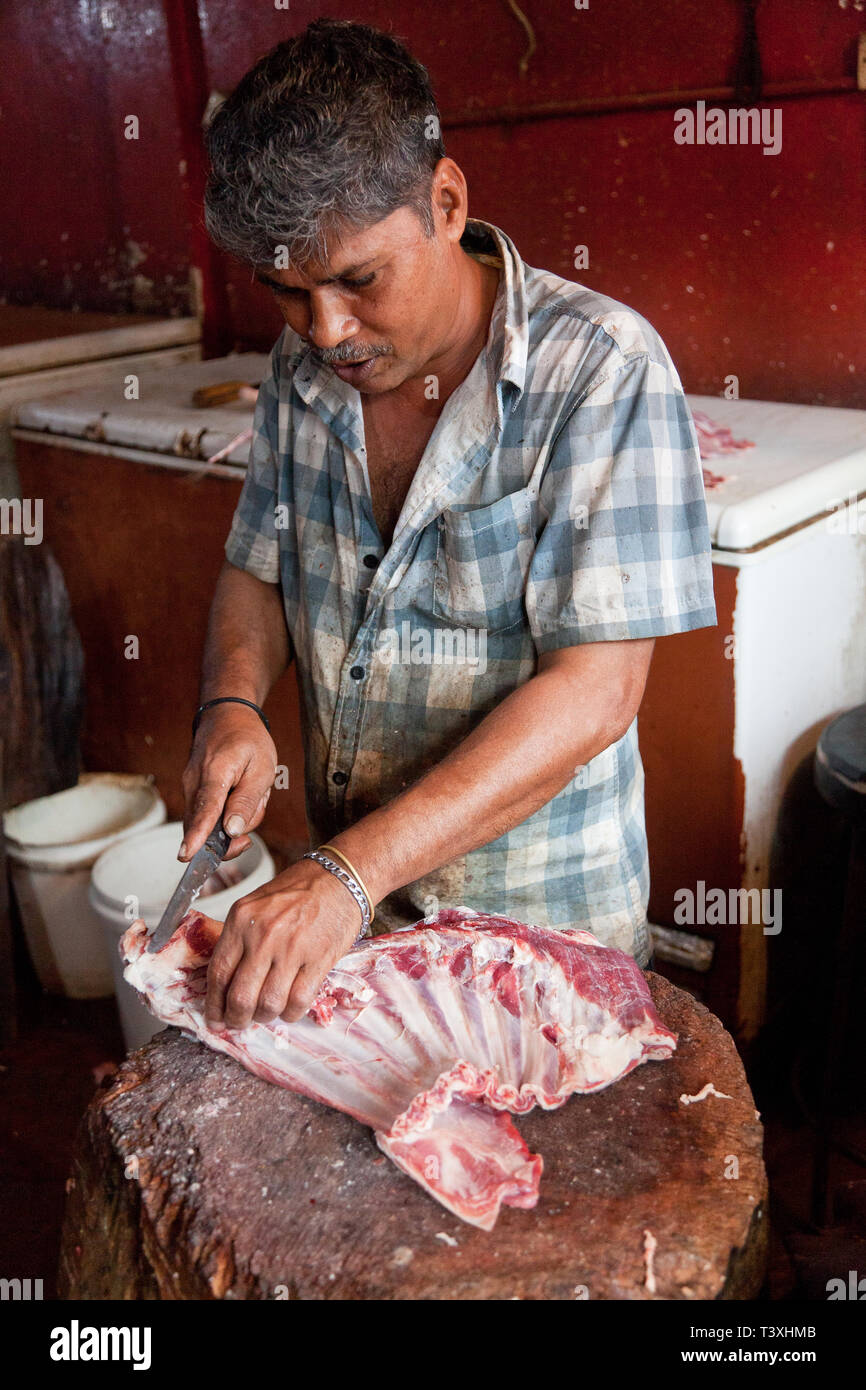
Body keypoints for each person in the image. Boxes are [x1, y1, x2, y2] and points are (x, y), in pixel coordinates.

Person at [181, 18, 717, 1032]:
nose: (326, 331)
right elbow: (259, 566)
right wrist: (231, 703)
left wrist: (344, 869)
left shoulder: (599, 369)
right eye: (287, 292)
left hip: (540, 952)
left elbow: (594, 691)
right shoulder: (302, 372)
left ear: (445, 202)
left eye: (358, 280)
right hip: (359, 925)